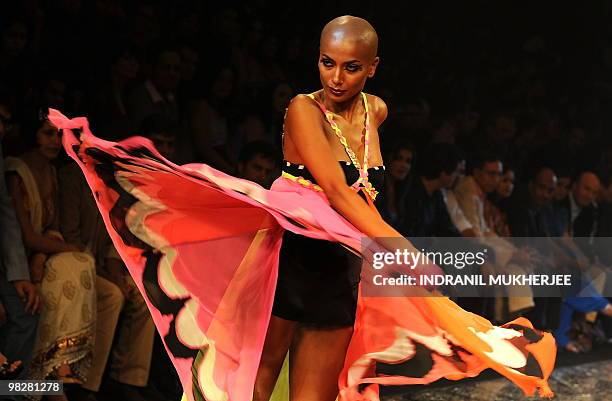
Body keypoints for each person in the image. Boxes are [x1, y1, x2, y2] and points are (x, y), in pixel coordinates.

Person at [51, 16, 556, 401]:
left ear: (373, 68)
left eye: (351, 66)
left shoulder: (375, 112)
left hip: (342, 267)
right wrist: (403, 250)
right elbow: (336, 193)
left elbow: (362, 193)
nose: (335, 76)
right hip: (290, 264)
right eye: (326, 62)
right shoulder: (302, 108)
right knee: (252, 379)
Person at [6, 109, 96, 400]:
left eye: (59, 134)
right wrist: (56, 249)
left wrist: (43, 255)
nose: (56, 142)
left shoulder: (52, 171)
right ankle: (38, 380)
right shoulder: (15, 172)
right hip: (13, 259)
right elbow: (25, 234)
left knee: (80, 263)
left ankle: (61, 365)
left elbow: (52, 227)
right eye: (48, 134)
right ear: (32, 136)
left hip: (37, 255)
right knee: (73, 264)